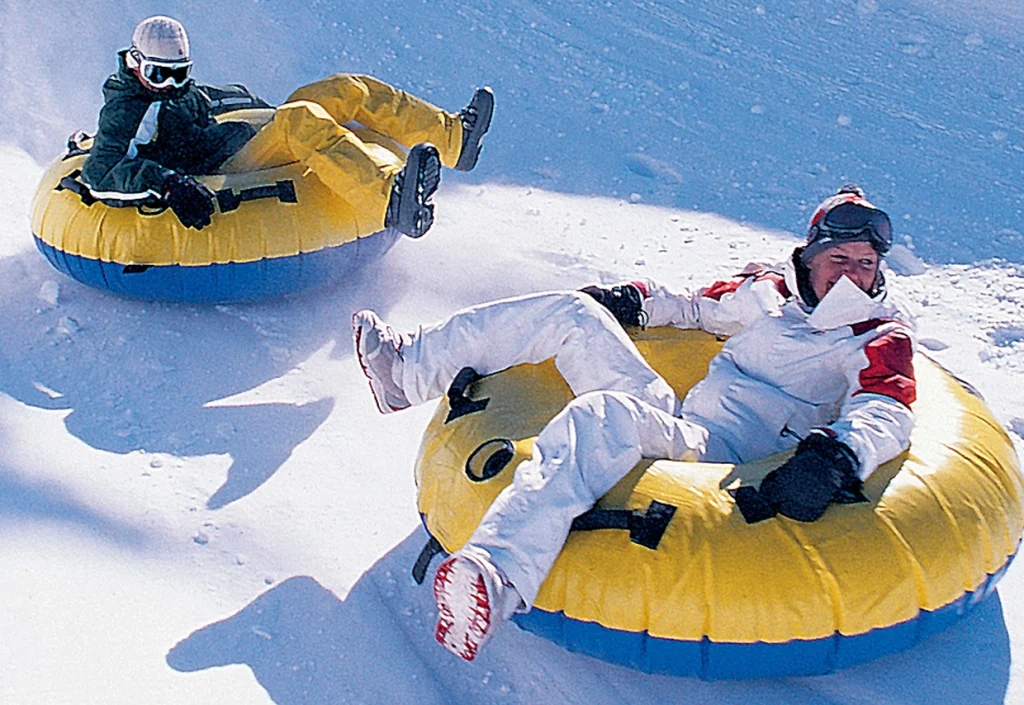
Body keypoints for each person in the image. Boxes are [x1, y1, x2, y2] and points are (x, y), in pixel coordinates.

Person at [352, 184, 916, 661]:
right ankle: (404, 371)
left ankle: (494, 578)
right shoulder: (769, 293)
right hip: (684, 421)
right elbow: (696, 306)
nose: (852, 276)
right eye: (838, 260)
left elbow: (886, 408)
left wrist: (837, 456)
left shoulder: (875, 334)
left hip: (725, 465)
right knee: (574, 313)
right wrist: (633, 301)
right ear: (809, 257)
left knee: (601, 415)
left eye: (865, 264)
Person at [81, 15, 494, 238]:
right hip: (221, 170)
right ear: (135, 63)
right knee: (300, 121)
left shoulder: (174, 90)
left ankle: (452, 137)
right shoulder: (127, 108)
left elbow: (205, 100)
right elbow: (100, 171)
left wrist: (258, 106)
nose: (171, 84)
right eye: (159, 74)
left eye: (180, 73)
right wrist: (170, 183)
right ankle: (389, 196)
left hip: (232, 140)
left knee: (345, 88)